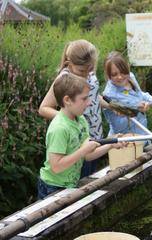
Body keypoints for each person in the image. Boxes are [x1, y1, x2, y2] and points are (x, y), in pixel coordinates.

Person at [38, 72, 124, 199]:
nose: (89, 103)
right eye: (84, 99)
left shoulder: (81, 120)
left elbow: (88, 155)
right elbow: (56, 166)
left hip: (70, 185)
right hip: (52, 187)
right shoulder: (59, 128)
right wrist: (83, 150)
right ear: (67, 100)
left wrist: (111, 145)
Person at [39, 39, 109, 177]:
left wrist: (111, 106)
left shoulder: (88, 73)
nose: (86, 74)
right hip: (76, 145)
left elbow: (93, 96)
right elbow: (44, 108)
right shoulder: (65, 79)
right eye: (81, 71)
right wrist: (69, 121)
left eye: (90, 69)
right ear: (69, 63)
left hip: (94, 139)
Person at [102, 51, 152, 137]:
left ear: (127, 68)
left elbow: (140, 94)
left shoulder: (130, 77)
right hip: (125, 141)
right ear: (108, 76)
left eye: (122, 72)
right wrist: (137, 110)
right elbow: (118, 127)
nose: (120, 77)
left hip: (143, 134)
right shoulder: (109, 95)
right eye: (114, 74)